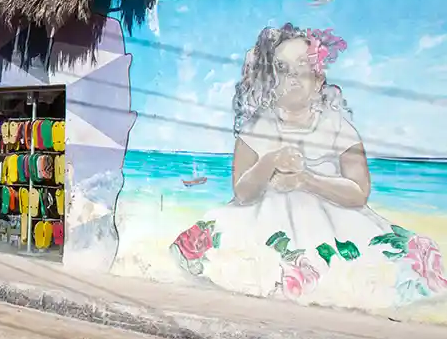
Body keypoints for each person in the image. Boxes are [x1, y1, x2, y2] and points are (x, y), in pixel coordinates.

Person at [170, 23, 447, 308]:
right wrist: (269, 161)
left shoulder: (337, 126)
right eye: (282, 68)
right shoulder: (258, 126)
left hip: (332, 221)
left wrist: (306, 180)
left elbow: (358, 192)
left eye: (302, 65)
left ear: (318, 78)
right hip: (266, 218)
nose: (293, 76)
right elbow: (242, 192)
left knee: (364, 270)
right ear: (270, 80)